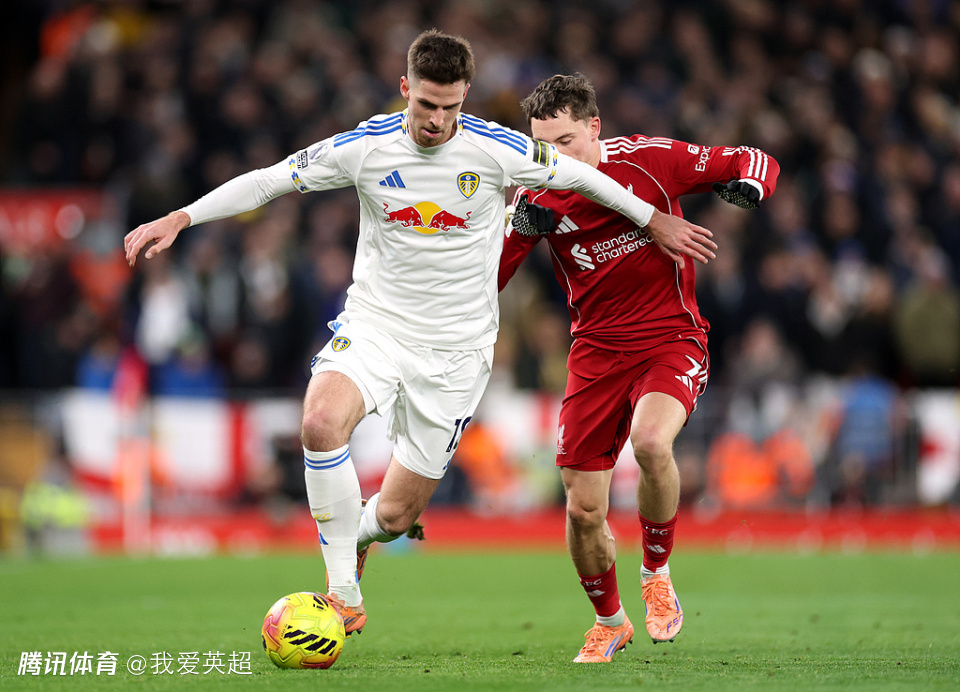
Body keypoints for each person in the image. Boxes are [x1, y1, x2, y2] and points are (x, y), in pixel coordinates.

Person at [124, 33, 716, 640]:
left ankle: (358, 539)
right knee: (320, 423)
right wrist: (182, 216)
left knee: (396, 515)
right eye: (427, 104)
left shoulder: (498, 149)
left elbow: (590, 178)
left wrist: (654, 220)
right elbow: (269, 180)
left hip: (456, 353)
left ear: (466, 97)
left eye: (450, 107)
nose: (437, 120)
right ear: (405, 88)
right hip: (376, 326)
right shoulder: (365, 147)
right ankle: (342, 594)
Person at [500, 73, 779, 662]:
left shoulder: (649, 160)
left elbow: (752, 159)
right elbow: (490, 277)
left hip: (669, 339)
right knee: (583, 510)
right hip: (594, 355)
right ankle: (610, 621)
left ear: (595, 128)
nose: (555, 157)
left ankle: (656, 573)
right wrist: (509, 230)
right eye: (543, 145)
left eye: (566, 142)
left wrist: (750, 187)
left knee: (652, 443)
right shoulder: (537, 193)